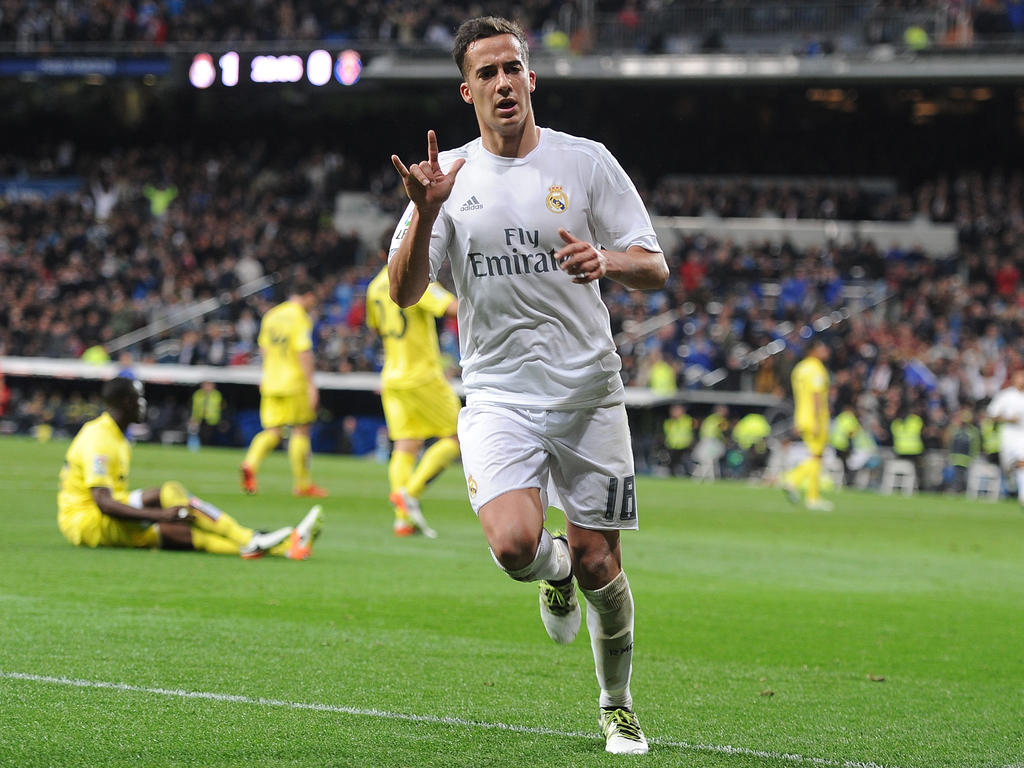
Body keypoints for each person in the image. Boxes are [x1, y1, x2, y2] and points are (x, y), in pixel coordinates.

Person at [388, 16, 668, 755]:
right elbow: (405, 290)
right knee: (516, 545)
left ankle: (617, 705)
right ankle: (553, 575)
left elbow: (654, 263)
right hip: (500, 398)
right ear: (467, 91)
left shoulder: (586, 163)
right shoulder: (446, 179)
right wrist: (425, 212)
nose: (503, 82)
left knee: (603, 563)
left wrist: (605, 261)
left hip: (588, 395)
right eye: (488, 73)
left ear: (531, 78)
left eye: (513, 68)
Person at [58, 377, 322, 558]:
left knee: (171, 492)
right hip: (86, 522)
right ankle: (270, 545)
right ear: (126, 403)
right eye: (140, 399)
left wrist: (162, 510)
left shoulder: (115, 435)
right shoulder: (100, 440)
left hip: (103, 508)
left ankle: (252, 539)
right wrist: (161, 516)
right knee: (177, 530)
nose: (144, 404)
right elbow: (103, 503)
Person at [366, 254, 462, 538]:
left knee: (405, 446)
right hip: (422, 375)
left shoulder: (374, 286)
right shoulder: (413, 278)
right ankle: (411, 493)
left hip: (392, 376)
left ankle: (402, 520)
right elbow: (451, 307)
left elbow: (375, 327)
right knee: (457, 437)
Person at [240, 282, 327, 497]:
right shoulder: (300, 317)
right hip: (294, 382)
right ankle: (303, 484)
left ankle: (250, 463)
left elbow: (264, 348)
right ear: (307, 295)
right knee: (300, 430)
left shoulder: (271, 315)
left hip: (271, 381)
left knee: (272, 432)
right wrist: (310, 384)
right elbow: (303, 352)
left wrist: (267, 373)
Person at [782, 338, 834, 511]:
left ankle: (813, 497)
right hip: (816, 418)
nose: (826, 350)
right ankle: (794, 480)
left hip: (801, 416)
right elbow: (816, 395)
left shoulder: (799, 369)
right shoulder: (816, 369)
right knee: (816, 457)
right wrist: (819, 420)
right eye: (822, 347)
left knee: (815, 455)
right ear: (813, 350)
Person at [987, 367, 1024, 504]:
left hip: (1022, 437)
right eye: (1020, 376)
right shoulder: (1005, 395)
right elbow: (991, 415)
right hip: (1008, 437)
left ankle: (1022, 497)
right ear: (1014, 379)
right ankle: (1012, 487)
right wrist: (1008, 419)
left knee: (1022, 463)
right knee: (1008, 468)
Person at [189, 380, 223, 448]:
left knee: (211, 436)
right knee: (201, 435)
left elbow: (220, 407)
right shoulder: (198, 394)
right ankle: (202, 447)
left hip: (213, 419)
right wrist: (194, 417)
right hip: (200, 418)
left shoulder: (216, 394)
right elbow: (194, 407)